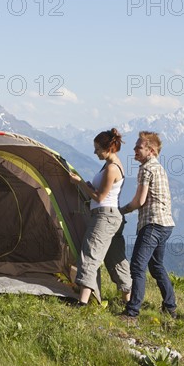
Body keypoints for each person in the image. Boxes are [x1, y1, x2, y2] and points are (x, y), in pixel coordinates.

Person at [69, 128, 132, 306]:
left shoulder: (111, 168)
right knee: (115, 259)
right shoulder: (112, 164)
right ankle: (129, 302)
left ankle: (82, 302)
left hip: (104, 217)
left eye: (97, 148)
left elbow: (99, 197)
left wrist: (80, 183)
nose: (95, 152)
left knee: (90, 254)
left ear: (109, 148)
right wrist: (90, 186)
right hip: (114, 217)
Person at [119, 131, 177, 320]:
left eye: (139, 147)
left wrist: (121, 210)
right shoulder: (159, 168)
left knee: (137, 266)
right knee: (157, 266)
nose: (134, 149)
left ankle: (132, 311)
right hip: (166, 224)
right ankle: (170, 307)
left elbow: (139, 201)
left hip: (152, 224)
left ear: (150, 151)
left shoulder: (146, 169)